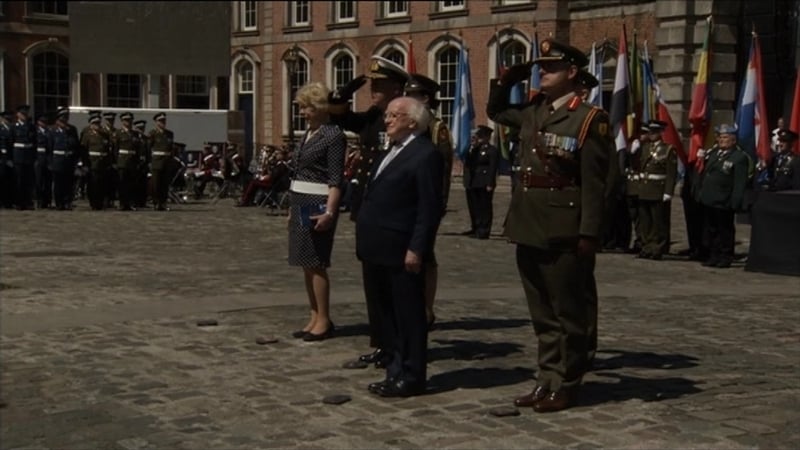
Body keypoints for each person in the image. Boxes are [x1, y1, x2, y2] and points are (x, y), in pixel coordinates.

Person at [487, 39, 615, 413]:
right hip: (528, 222)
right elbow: (496, 112)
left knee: (568, 311)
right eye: (539, 67)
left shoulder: (590, 119)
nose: (542, 72)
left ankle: (568, 382)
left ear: (572, 73)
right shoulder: (533, 110)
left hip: (564, 227)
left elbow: (597, 184)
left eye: (551, 67)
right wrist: (507, 79)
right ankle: (546, 378)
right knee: (541, 311)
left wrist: (589, 233)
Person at [357, 96, 444, 397]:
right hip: (377, 246)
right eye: (388, 114)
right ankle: (394, 369)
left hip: (401, 247)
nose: (388, 120)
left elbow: (428, 208)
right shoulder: (388, 152)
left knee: (408, 316)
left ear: (413, 121)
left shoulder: (425, 154)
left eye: (395, 115)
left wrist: (417, 248)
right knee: (387, 316)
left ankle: (411, 374)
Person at [328, 55, 409, 366]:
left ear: (396, 88)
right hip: (367, 206)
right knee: (373, 285)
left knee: (393, 285)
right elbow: (340, 119)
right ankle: (382, 343)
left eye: (380, 85)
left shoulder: (407, 119)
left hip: (392, 209)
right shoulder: (374, 116)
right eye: (372, 85)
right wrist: (343, 94)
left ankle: (399, 345)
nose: (373, 90)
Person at [287, 82, 346, 342]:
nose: (302, 112)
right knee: (305, 263)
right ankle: (314, 315)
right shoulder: (308, 133)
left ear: (321, 108)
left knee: (316, 261)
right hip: (300, 197)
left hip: (318, 199)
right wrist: (291, 207)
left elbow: (335, 179)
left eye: (307, 107)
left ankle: (324, 318)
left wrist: (330, 212)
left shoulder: (333, 135)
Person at [404, 73, 455, 329]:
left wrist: (439, 204)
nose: (408, 100)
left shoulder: (436, 128)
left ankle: (427, 308)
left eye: (413, 95)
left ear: (425, 98)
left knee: (425, 255)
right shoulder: (408, 125)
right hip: (405, 201)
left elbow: (443, 170)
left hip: (428, 200)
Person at [697, 124, 749, 269]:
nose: (721, 140)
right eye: (720, 137)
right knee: (711, 229)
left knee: (724, 230)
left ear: (733, 140)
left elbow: (739, 182)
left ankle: (725, 256)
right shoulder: (714, 154)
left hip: (724, 200)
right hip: (710, 199)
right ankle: (713, 255)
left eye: (725, 137)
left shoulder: (738, 157)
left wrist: (735, 201)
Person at [636, 120, 678, 260]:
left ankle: (657, 248)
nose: (652, 135)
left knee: (658, 222)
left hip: (658, 189)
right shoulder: (645, 148)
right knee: (645, 221)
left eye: (655, 132)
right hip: (645, 189)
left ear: (660, 133)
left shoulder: (668, 149)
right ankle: (646, 247)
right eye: (650, 132)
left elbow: (671, 173)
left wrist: (668, 191)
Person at [462, 125, 500, 239]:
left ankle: (484, 230)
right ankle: (476, 227)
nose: (478, 138)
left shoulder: (492, 150)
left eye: (481, 136)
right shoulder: (474, 149)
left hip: (484, 182)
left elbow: (493, 168)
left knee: (485, 207)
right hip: (474, 182)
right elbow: (469, 162)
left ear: (487, 137)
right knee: (474, 206)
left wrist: (490, 183)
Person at [81, 113, 112, 210]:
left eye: (98, 123)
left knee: (102, 184)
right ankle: (93, 203)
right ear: (91, 124)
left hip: (102, 163)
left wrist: (108, 162)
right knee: (93, 184)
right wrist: (85, 164)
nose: (97, 125)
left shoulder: (105, 135)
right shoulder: (87, 135)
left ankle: (100, 202)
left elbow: (108, 150)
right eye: (95, 123)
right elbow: (83, 151)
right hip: (92, 163)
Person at [50, 108, 79, 210]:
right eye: (63, 118)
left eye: (66, 118)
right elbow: (49, 148)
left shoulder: (72, 129)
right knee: (58, 184)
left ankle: (67, 202)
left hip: (69, 160)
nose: (65, 120)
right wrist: (50, 162)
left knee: (69, 183)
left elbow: (76, 147)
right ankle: (59, 203)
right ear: (58, 119)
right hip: (58, 160)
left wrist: (77, 161)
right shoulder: (53, 130)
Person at [112, 112, 139, 210]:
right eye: (126, 120)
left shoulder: (135, 134)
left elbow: (138, 149)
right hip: (122, 161)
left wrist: (137, 162)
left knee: (132, 184)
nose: (128, 122)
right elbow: (115, 149)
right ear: (122, 121)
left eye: (130, 120)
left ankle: (131, 203)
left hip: (132, 161)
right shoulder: (118, 133)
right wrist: (115, 162)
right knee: (122, 184)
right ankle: (122, 203)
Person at [148, 112, 174, 211]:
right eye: (160, 121)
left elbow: (171, 149)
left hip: (166, 161)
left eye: (164, 120)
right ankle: (156, 203)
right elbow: (149, 148)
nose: (163, 122)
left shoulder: (170, 134)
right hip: (157, 161)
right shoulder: (153, 133)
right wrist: (150, 161)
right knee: (156, 184)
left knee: (165, 184)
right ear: (156, 122)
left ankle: (163, 202)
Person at [12, 105, 37, 210]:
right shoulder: (14, 127)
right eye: (22, 114)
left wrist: (34, 157)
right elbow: (10, 142)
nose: (24, 116)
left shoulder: (31, 127)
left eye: (26, 114)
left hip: (28, 156)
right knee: (19, 180)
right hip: (18, 156)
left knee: (28, 181)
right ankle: (19, 202)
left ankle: (28, 202)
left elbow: (34, 142)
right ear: (18, 115)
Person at [34, 114, 53, 210]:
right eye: (42, 122)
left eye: (45, 122)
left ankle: (47, 201)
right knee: (38, 181)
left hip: (47, 158)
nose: (44, 124)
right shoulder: (35, 132)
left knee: (48, 181)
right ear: (38, 122)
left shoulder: (49, 132)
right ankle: (39, 200)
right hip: (38, 157)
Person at [132, 119, 150, 208]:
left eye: (142, 128)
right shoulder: (133, 137)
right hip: (135, 162)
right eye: (139, 128)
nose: (141, 130)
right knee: (134, 183)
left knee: (143, 183)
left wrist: (148, 162)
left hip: (144, 163)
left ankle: (142, 202)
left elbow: (148, 151)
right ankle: (134, 201)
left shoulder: (145, 138)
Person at [0, 110, 15, 208]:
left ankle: (9, 201)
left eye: (9, 118)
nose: (8, 120)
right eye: (6, 118)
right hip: (1, 157)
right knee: (2, 180)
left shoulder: (12, 128)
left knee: (10, 180)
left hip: (10, 157)